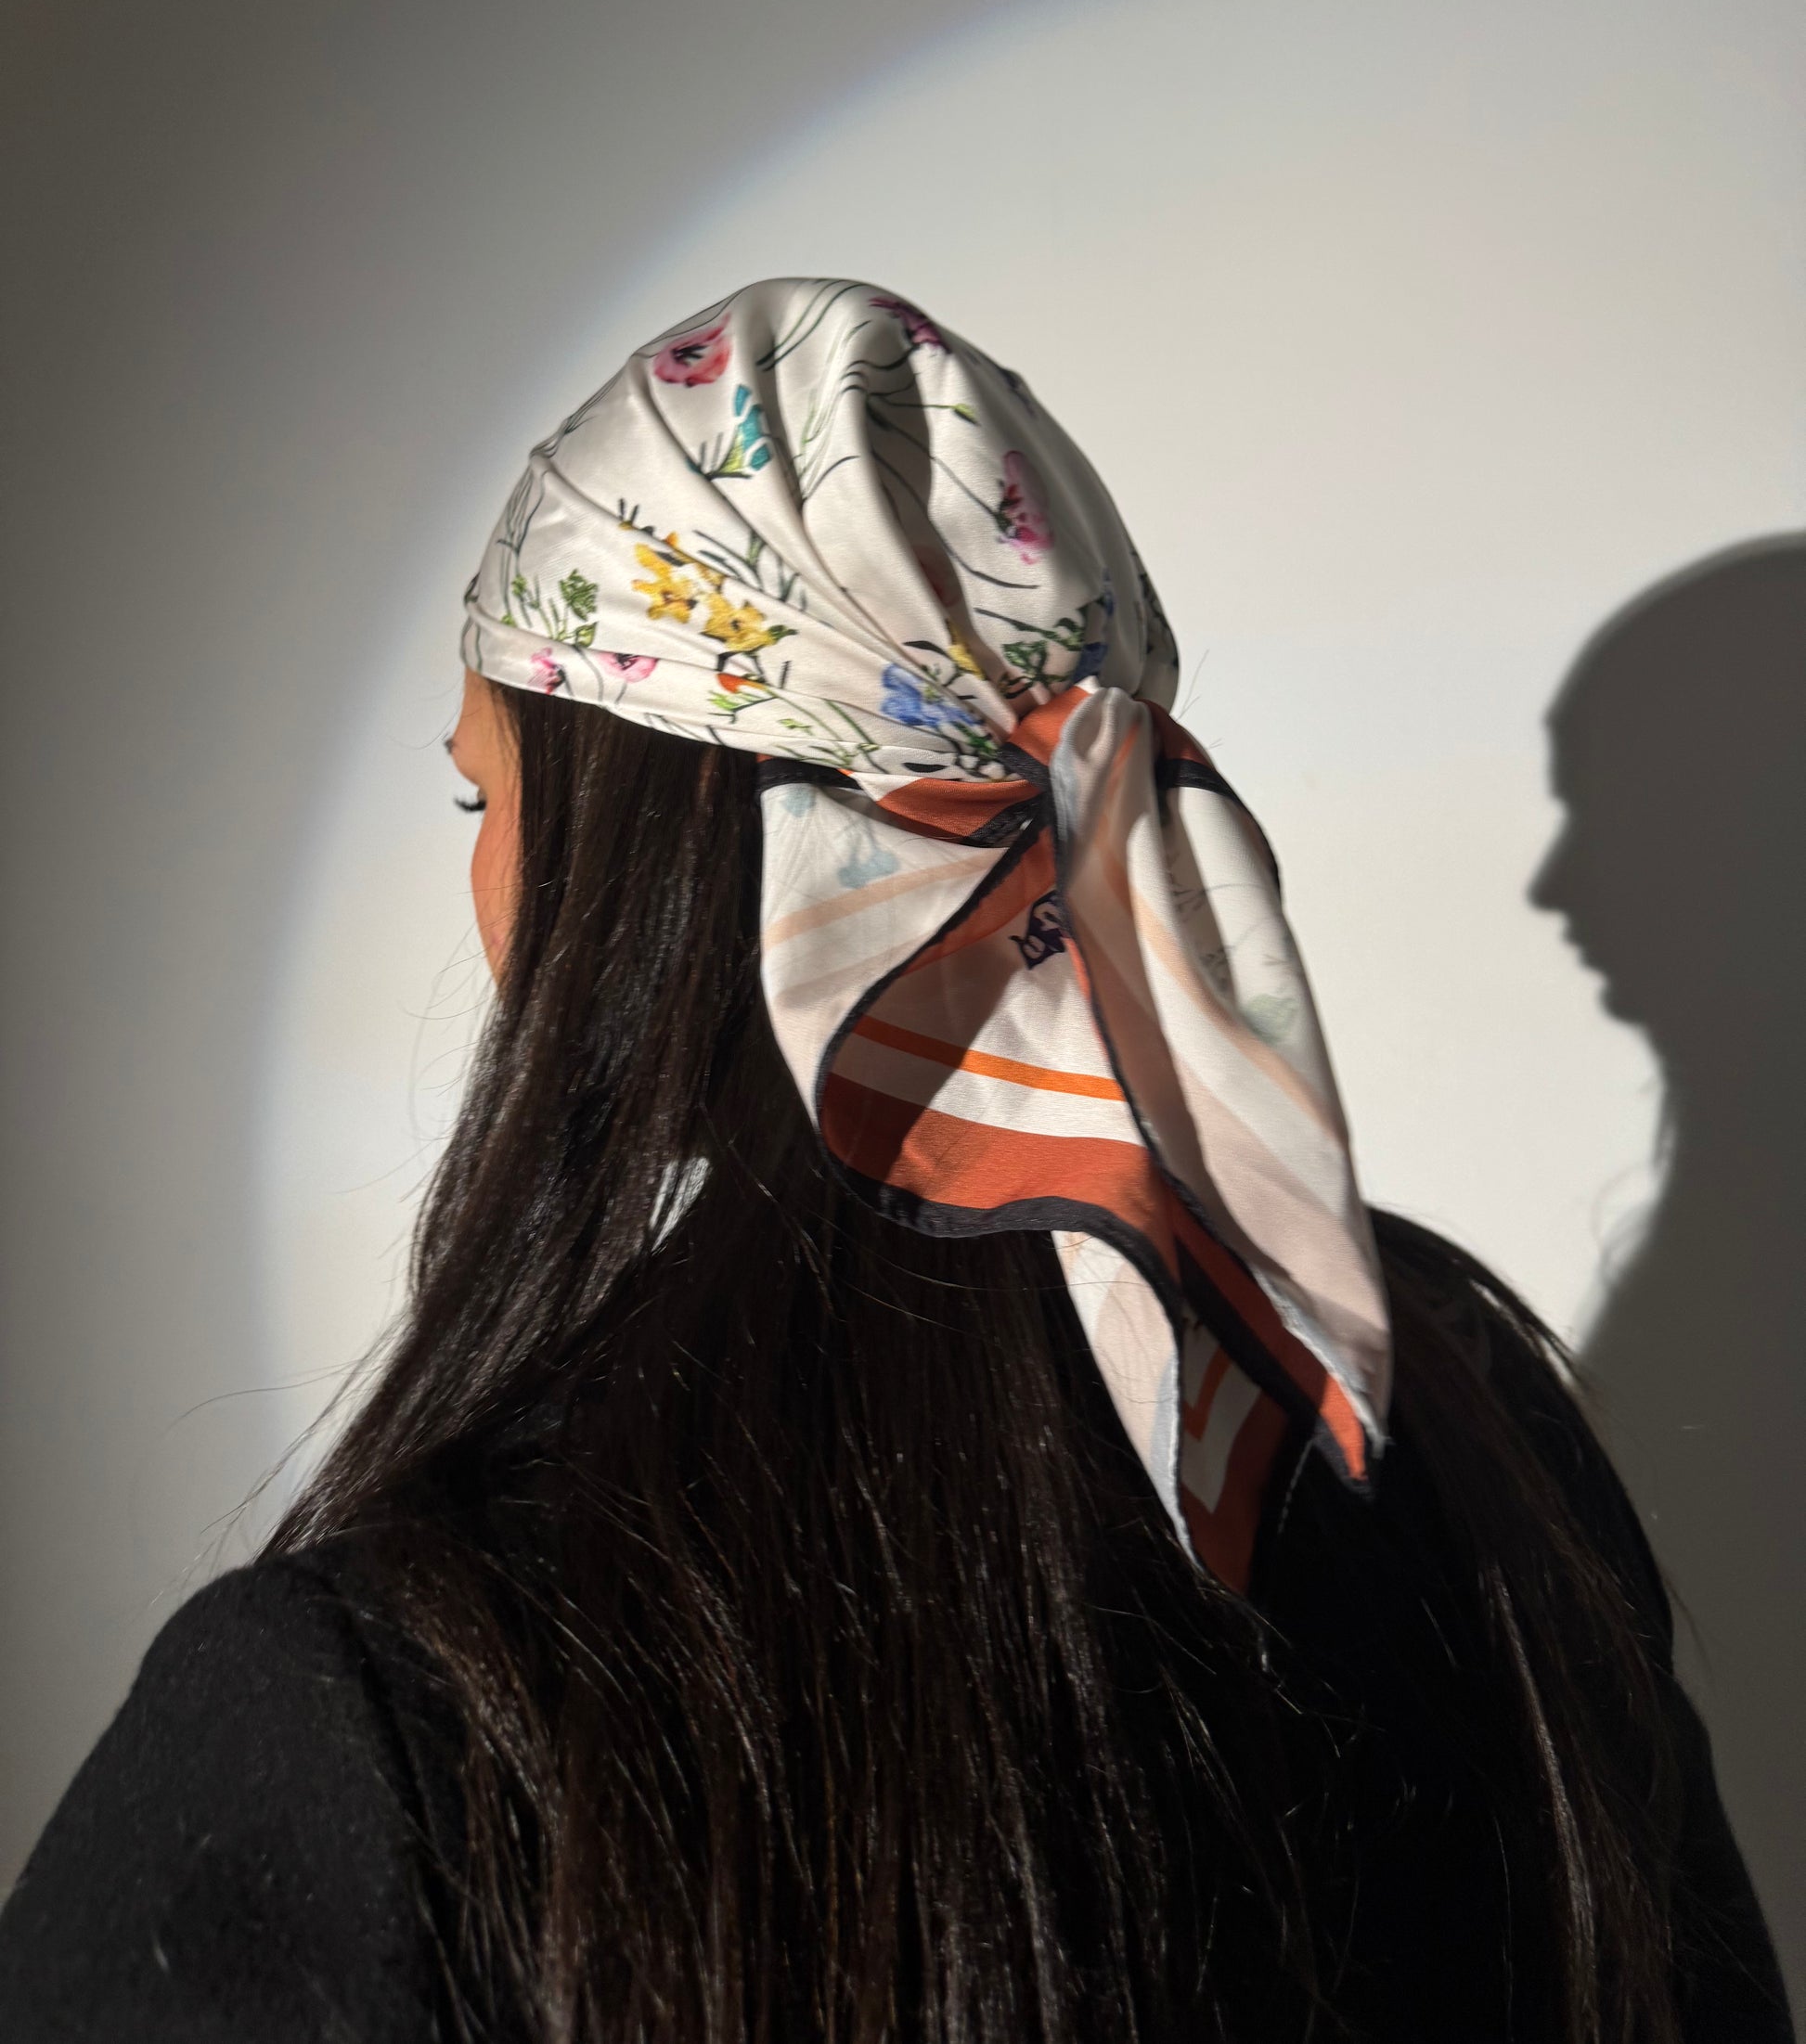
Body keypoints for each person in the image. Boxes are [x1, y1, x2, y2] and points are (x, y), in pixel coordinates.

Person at [0, 278, 1790, 2043]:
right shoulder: (1440, 1418)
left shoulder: (397, 1695)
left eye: (489, 794)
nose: (1557, 886)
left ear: (665, 841)